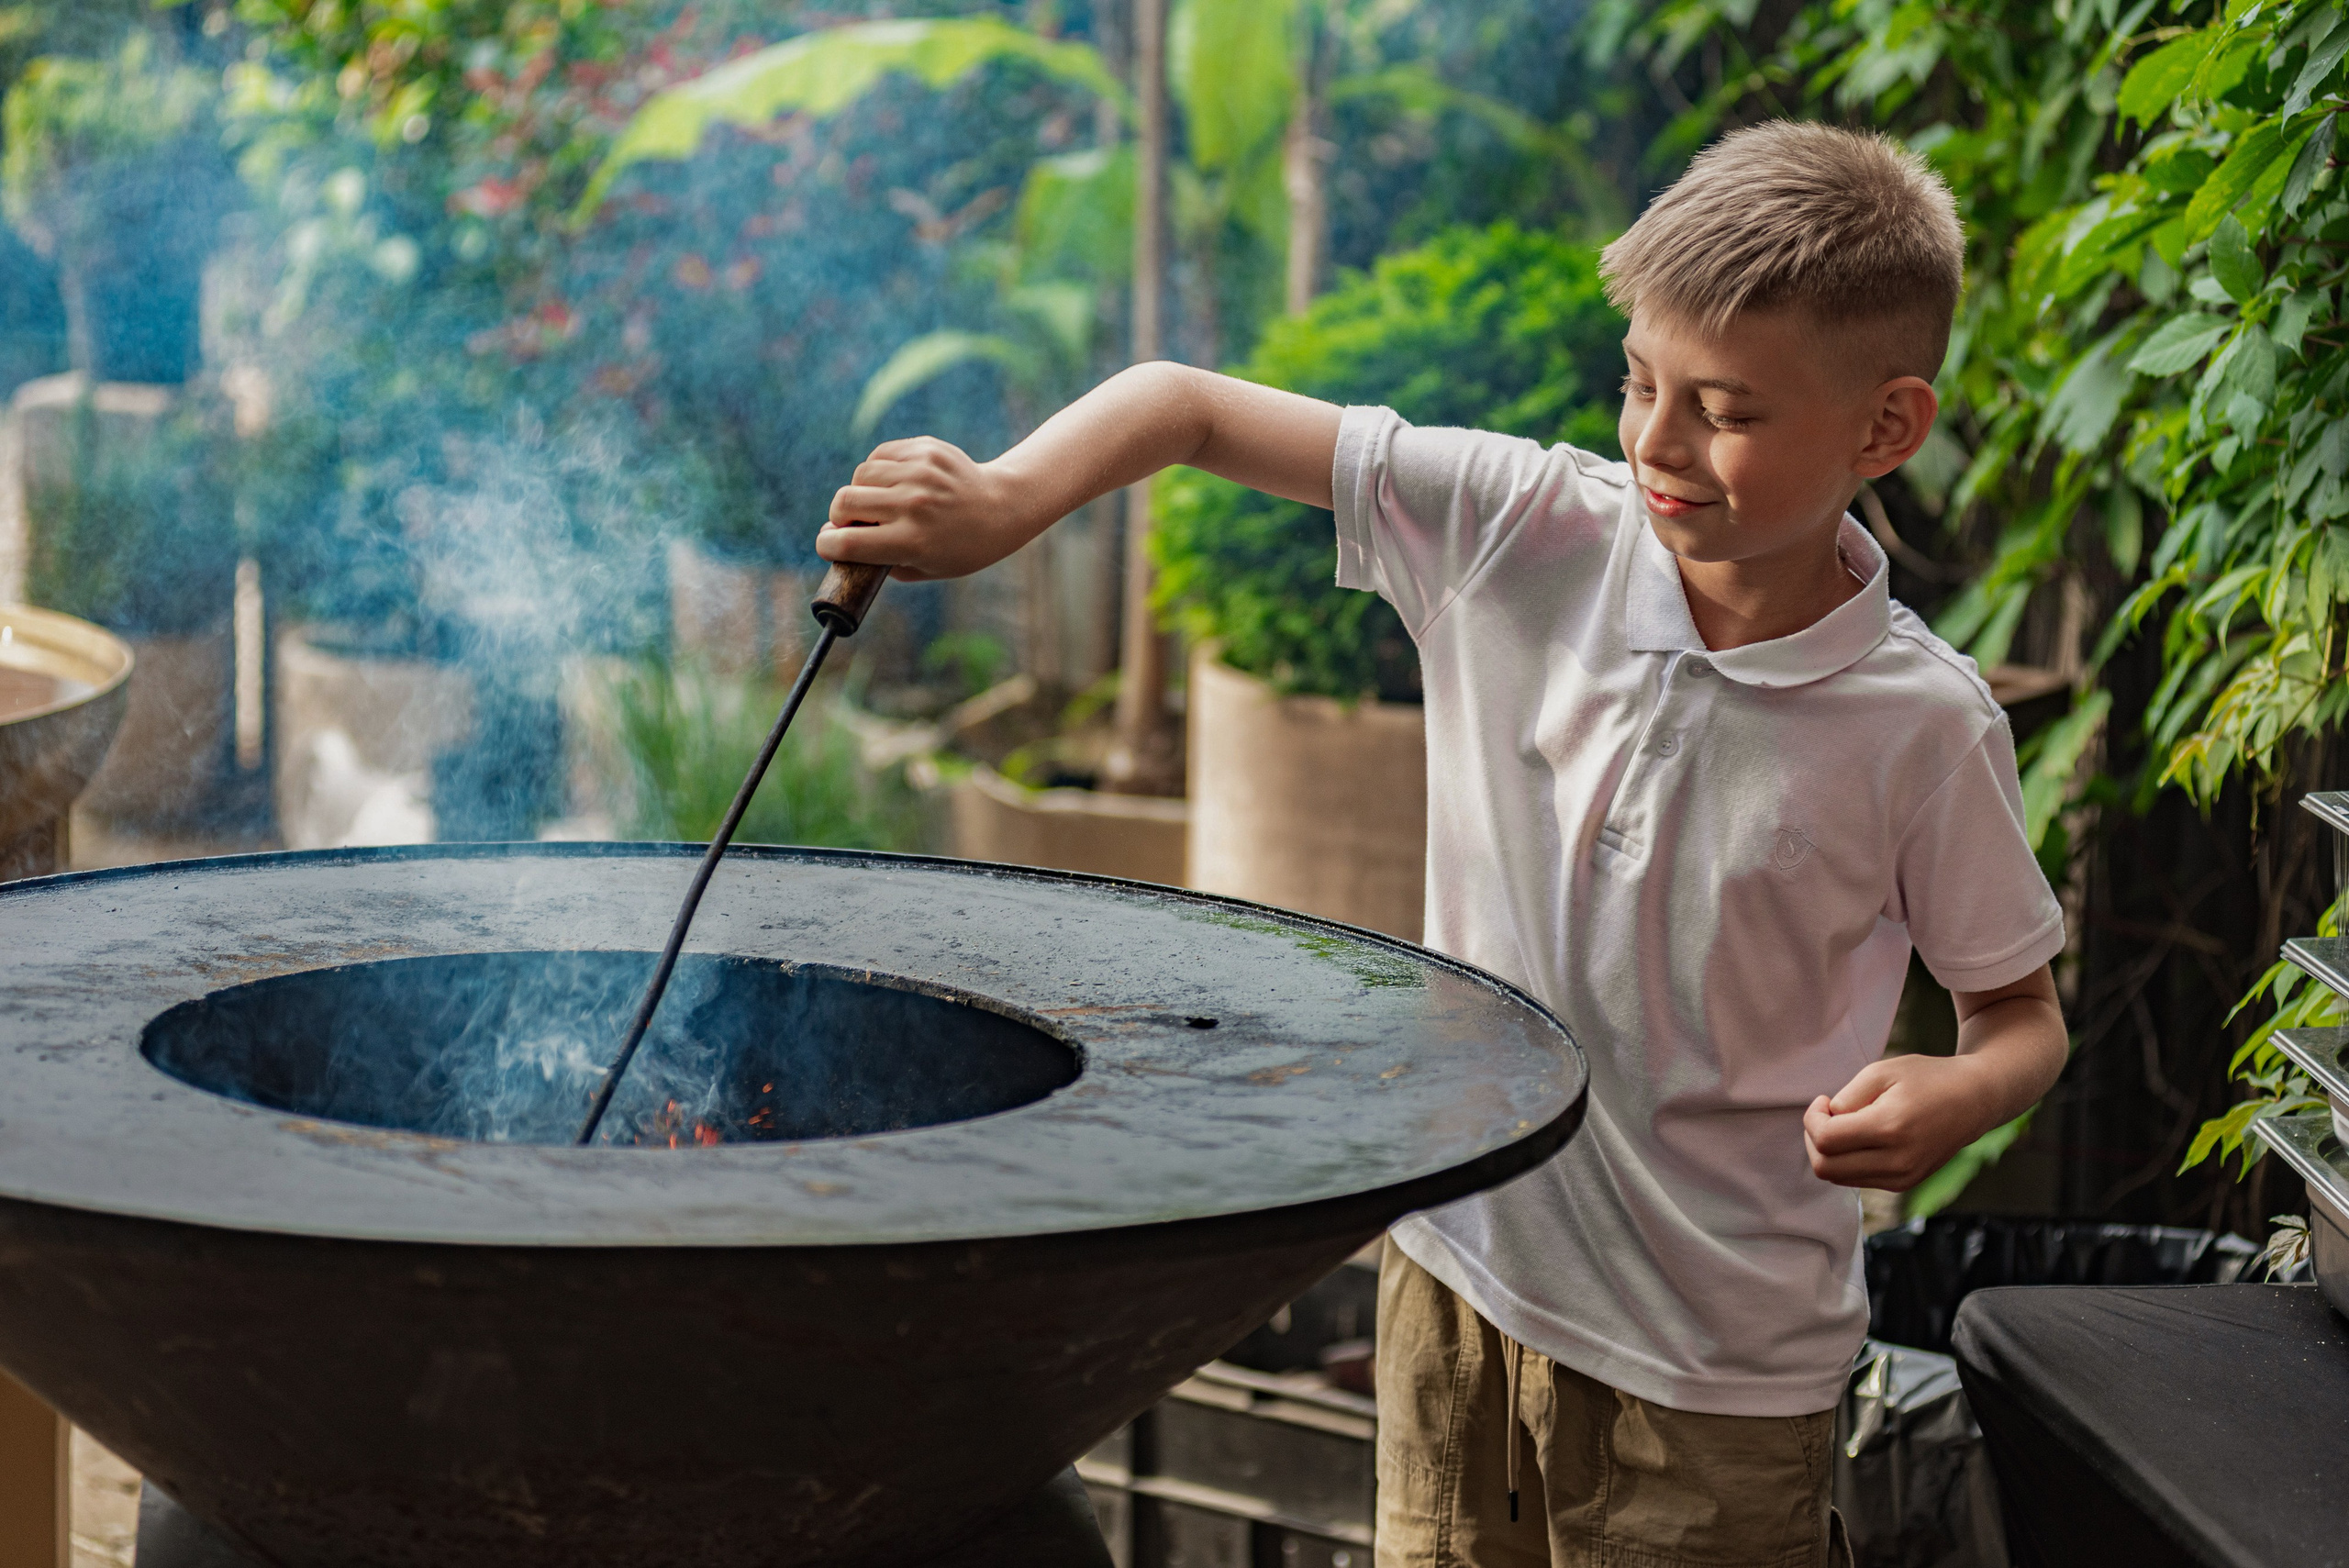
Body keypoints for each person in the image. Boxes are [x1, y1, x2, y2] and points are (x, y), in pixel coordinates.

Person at [817, 120, 2069, 1568]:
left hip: (1718, 1377)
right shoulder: (1522, 529)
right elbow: (1185, 405)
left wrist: (1961, 1090)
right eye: (1640, 381)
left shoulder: (1924, 725)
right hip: (1455, 1285)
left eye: (1724, 408)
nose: (1657, 442)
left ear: (1885, 427)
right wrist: (1004, 499)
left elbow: (2021, 1018)